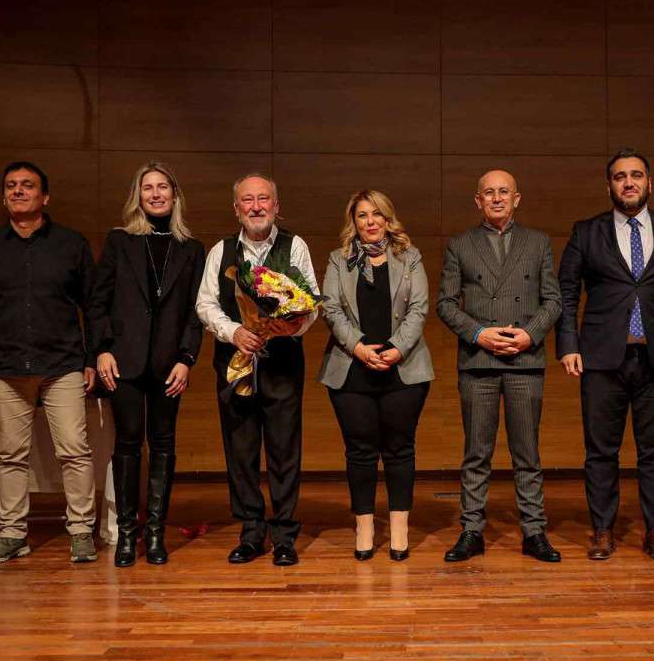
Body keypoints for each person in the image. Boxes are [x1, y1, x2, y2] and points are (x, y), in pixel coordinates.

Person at [556, 148, 654, 562]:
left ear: (649, 183)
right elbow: (566, 292)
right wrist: (568, 344)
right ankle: (602, 530)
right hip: (600, 358)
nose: (628, 182)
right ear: (608, 185)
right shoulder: (586, 231)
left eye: (636, 175)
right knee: (600, 450)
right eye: (620, 176)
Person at [0, 161, 99, 565]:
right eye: (11, 186)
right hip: (4, 367)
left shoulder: (71, 244)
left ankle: (81, 532)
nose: (18, 191)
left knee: (74, 451)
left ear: (45, 196)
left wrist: (91, 358)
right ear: (4, 197)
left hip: (63, 365)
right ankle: (12, 535)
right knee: (10, 456)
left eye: (27, 185)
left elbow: (93, 307)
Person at [436, 170, 562, 563]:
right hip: (479, 362)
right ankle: (471, 530)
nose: (496, 198)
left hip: (525, 360)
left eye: (503, 192)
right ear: (478, 201)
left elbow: (553, 300)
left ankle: (534, 531)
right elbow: (445, 304)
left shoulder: (538, 242)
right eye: (488, 193)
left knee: (527, 454)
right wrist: (479, 334)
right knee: (476, 452)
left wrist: (529, 334)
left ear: (516, 198)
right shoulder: (460, 244)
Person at [196, 173, 318, 567]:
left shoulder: (294, 246)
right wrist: (234, 332)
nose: (256, 206)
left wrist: (293, 325)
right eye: (247, 200)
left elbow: (311, 301)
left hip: (282, 362)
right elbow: (205, 304)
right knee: (241, 450)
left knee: (284, 450)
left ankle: (284, 535)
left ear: (276, 206)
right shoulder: (221, 250)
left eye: (263, 199)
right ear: (236, 209)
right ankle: (251, 532)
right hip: (234, 362)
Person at [88, 161, 205, 567]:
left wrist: (187, 359)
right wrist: (102, 349)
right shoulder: (120, 241)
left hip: (169, 364)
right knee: (127, 443)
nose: (155, 194)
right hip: (123, 361)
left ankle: (155, 533)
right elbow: (98, 301)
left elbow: (195, 312)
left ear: (175, 195)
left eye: (162, 187)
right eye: (147, 188)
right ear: (137, 197)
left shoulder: (192, 249)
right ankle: (126, 534)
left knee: (164, 444)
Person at [319, 190, 433, 561]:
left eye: (377, 214)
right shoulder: (338, 260)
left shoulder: (410, 257)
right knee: (360, 452)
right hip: (352, 368)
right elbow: (331, 309)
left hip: (403, 368)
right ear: (353, 222)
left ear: (388, 218)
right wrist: (359, 348)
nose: (370, 222)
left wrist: (396, 348)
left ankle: (399, 528)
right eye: (362, 215)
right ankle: (364, 527)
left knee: (400, 450)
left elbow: (419, 309)